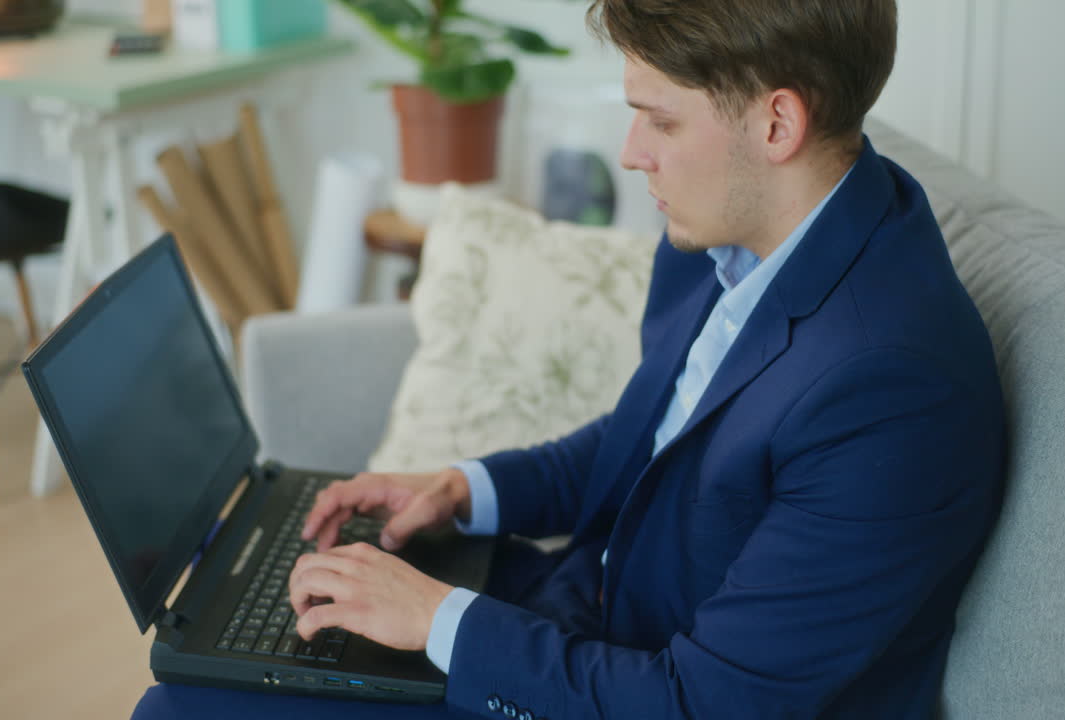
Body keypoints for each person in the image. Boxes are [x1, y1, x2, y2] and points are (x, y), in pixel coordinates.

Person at [133, 1, 1004, 718]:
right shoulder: (744, 234)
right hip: (588, 611)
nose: (633, 154)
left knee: (180, 711)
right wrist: (463, 488)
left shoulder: (893, 387)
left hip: (643, 687)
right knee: (228, 642)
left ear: (778, 121)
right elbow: (651, 440)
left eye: (660, 119)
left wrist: (440, 620)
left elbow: (703, 705)